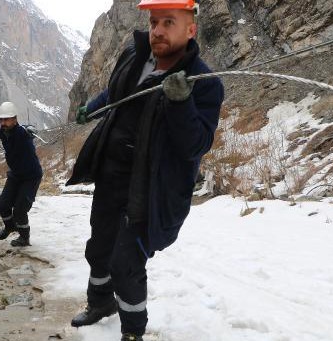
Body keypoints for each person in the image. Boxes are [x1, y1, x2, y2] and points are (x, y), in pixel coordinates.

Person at [66, 1, 224, 340]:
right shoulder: (134, 54)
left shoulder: (205, 83)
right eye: (155, 21)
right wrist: (91, 108)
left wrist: (181, 103)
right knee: (99, 247)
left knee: (126, 263)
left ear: (190, 29)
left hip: (152, 190)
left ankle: (133, 332)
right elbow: (115, 90)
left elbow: (196, 144)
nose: (158, 30)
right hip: (111, 175)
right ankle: (100, 303)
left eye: (169, 22)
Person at [0, 102, 43, 247]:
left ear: (15, 119)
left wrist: (29, 130)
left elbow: (26, 132)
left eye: (6, 119)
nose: (3, 123)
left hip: (31, 176)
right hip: (15, 175)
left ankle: (24, 238)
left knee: (20, 210)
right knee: (2, 206)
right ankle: (10, 227)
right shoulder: (2, 133)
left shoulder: (23, 134)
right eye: (1, 120)